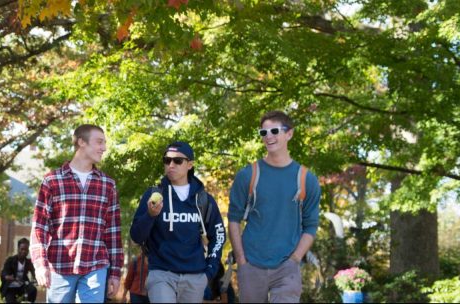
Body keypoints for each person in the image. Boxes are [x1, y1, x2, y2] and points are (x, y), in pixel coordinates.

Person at [228, 111, 320, 303]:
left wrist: (295, 259)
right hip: (251, 264)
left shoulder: (306, 179)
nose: (268, 136)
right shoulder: (248, 175)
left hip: (287, 268)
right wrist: (242, 260)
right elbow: (234, 219)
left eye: (275, 131)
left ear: (289, 134)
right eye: (264, 132)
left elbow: (310, 226)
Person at [31, 124, 123, 303]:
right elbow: (39, 227)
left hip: (96, 265)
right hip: (60, 265)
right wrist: (40, 264)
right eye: (99, 142)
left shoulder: (108, 185)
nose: (104, 148)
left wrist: (115, 273)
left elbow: (113, 233)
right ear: (81, 142)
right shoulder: (52, 182)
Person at [130, 141, 225, 303]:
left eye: (177, 161)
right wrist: (150, 215)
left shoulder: (203, 200)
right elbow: (136, 237)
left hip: (195, 277)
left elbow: (219, 235)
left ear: (190, 164)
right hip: (161, 274)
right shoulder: (153, 194)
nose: (171, 165)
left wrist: (209, 270)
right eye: (167, 161)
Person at [0, 238, 37, 303]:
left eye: (26, 250)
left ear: (28, 251)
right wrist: (7, 276)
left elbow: (34, 273)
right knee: (10, 300)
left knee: (33, 290)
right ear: (18, 249)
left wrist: (36, 278)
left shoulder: (28, 262)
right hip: (10, 286)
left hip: (22, 286)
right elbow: (4, 272)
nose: (24, 251)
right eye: (22, 249)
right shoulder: (10, 260)